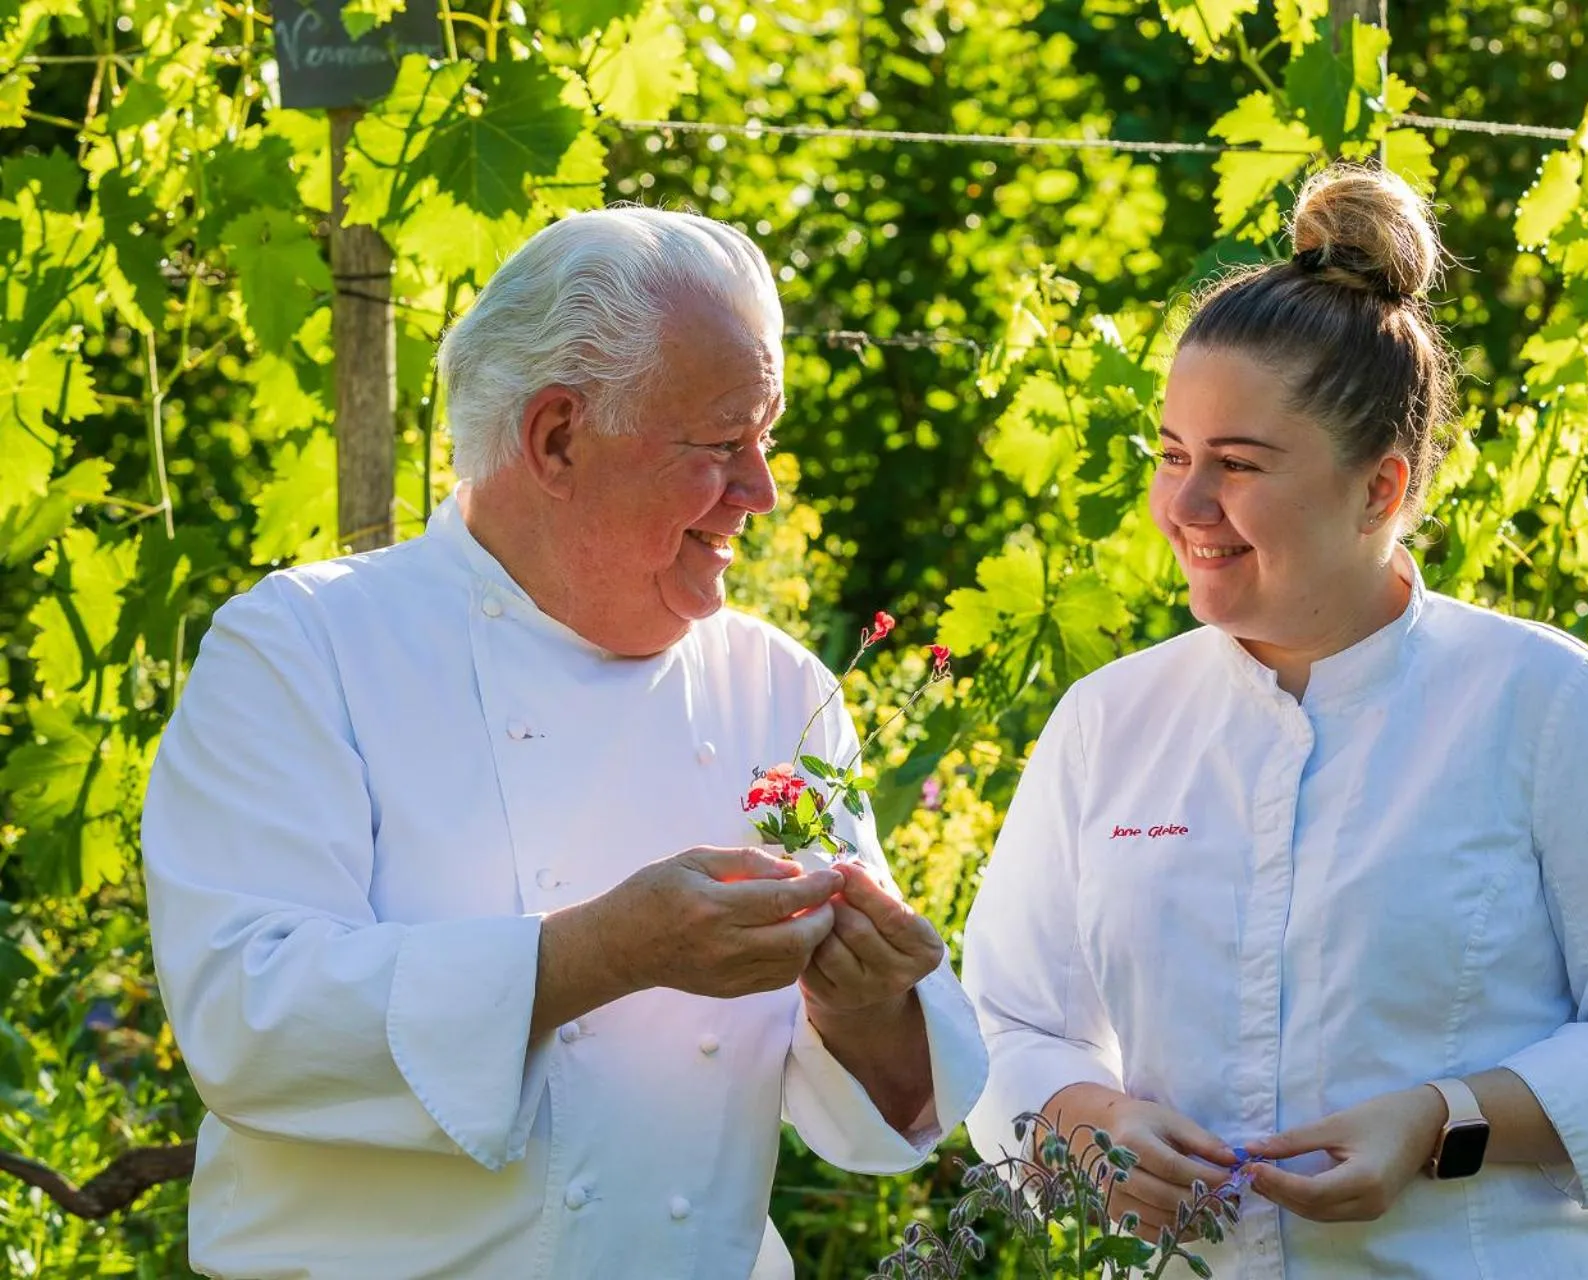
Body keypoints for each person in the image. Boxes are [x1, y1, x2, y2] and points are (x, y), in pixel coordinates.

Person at [143, 206, 986, 1280]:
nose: (762, 492)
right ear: (556, 437)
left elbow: (876, 1108)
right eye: (725, 444)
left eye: (764, 441)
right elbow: (246, 1016)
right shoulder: (305, 647)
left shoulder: (777, 685)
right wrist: (597, 953)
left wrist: (864, 993)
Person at [960, 166, 1588, 1278]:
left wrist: (1447, 1122)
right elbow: (1001, 1025)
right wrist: (1072, 1110)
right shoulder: (1110, 722)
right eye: (1173, 454)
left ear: (1381, 489)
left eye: (1237, 465)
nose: (1186, 507)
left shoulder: (1546, 703)